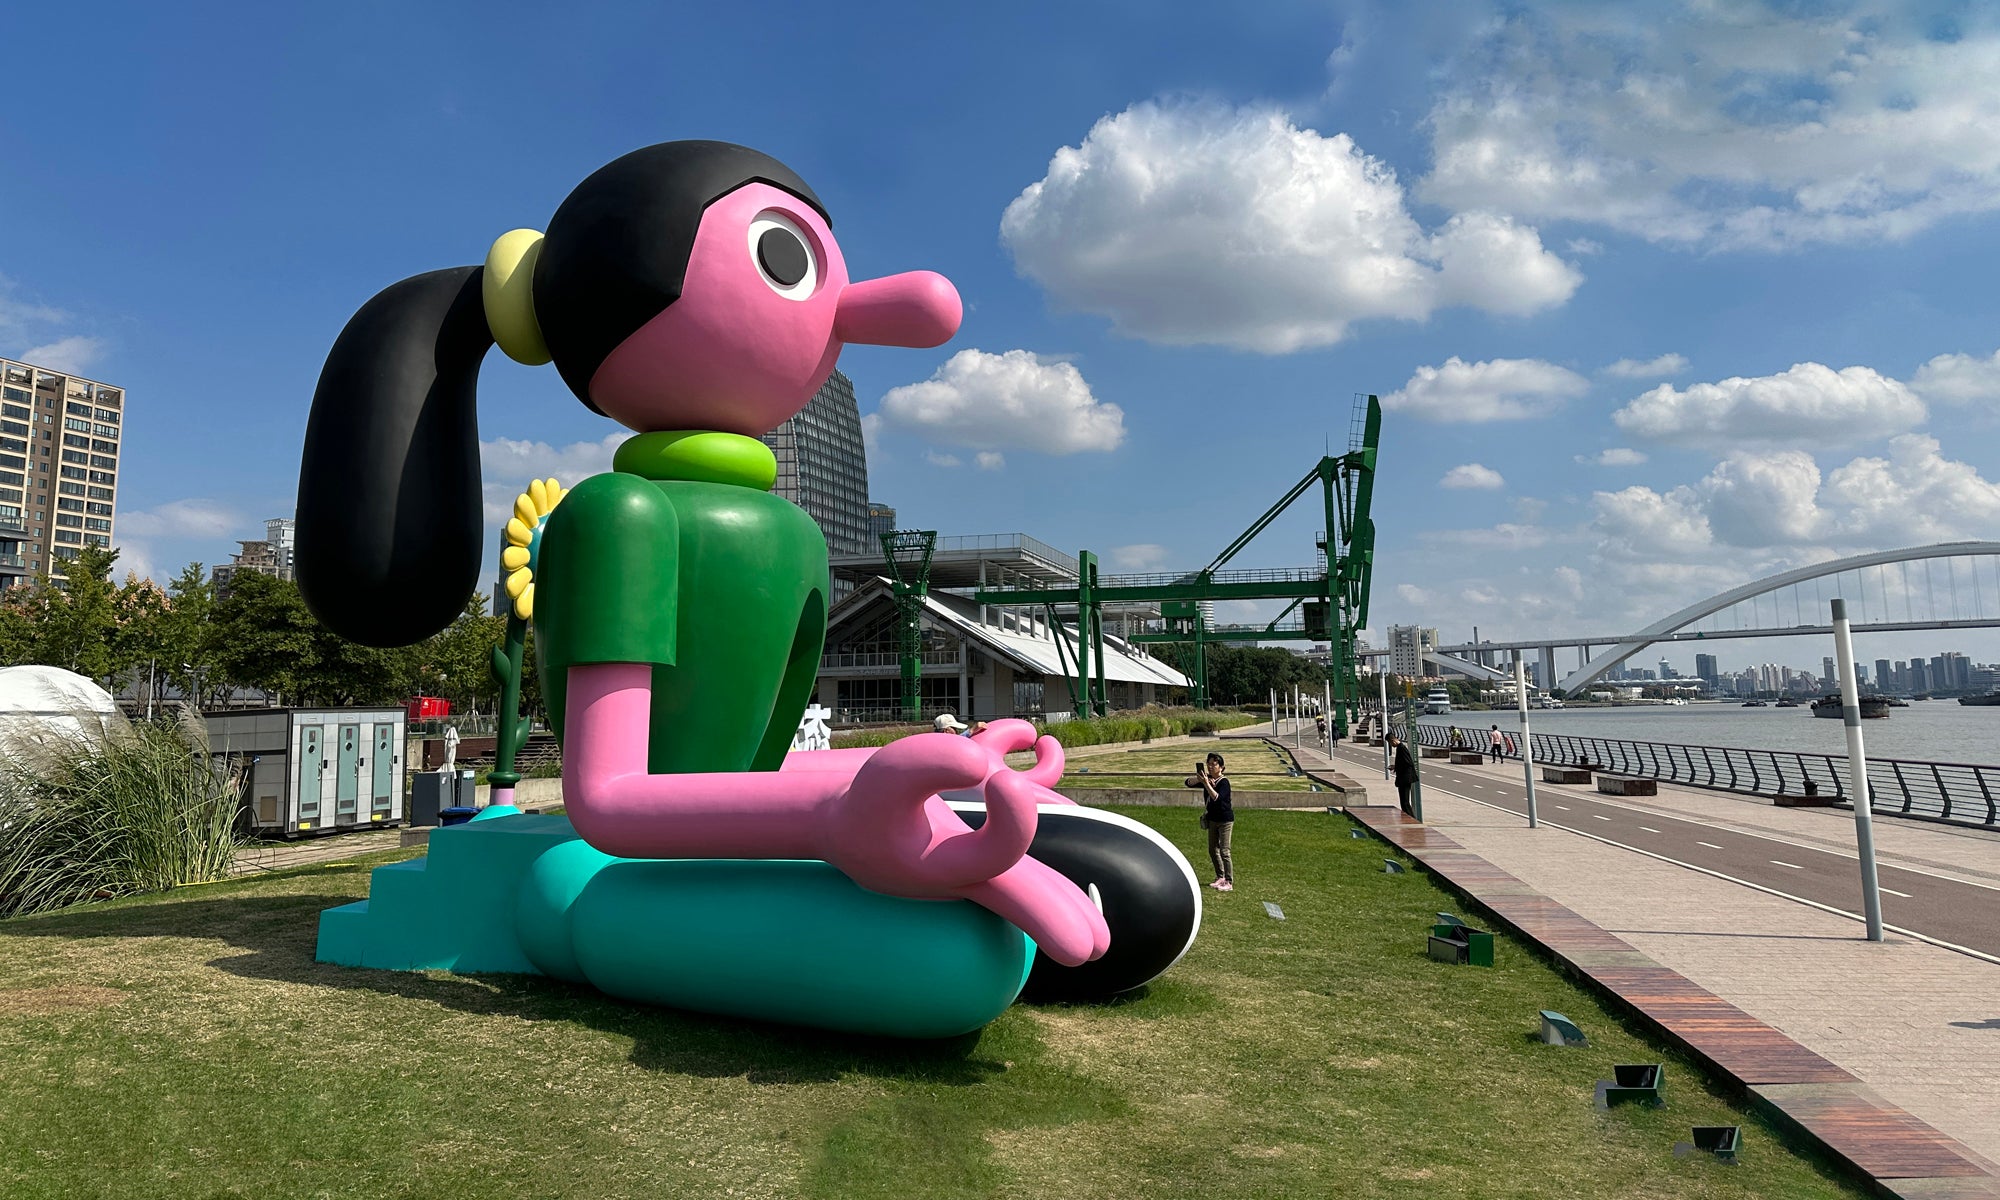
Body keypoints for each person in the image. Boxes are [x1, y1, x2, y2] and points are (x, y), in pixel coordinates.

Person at [1184, 751, 1234, 891]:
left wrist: (1207, 784)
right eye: (1209, 764)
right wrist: (1200, 779)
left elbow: (1217, 798)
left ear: (1221, 767)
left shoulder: (1224, 782)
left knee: (1224, 851)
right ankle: (1220, 876)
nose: (1211, 767)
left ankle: (1229, 881)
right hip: (1212, 819)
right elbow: (1187, 783)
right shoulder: (1208, 779)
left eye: (1214, 764)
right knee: (1213, 849)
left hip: (1225, 820)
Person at [1390, 733, 1417, 817]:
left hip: (1405, 779)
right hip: (1403, 778)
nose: (1391, 745)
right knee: (1403, 802)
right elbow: (1403, 762)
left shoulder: (1402, 748)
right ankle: (1408, 819)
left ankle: (1412, 820)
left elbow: (1408, 763)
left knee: (1405, 802)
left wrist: (1397, 767)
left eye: (1390, 743)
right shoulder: (1400, 748)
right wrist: (1395, 766)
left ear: (1393, 740)